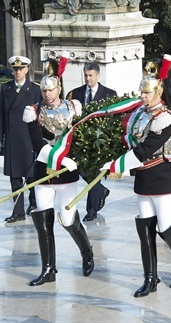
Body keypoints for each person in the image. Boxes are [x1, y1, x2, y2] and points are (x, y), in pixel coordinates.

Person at [101, 55, 171, 297]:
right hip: (143, 178)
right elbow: (130, 142)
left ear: (158, 92)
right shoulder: (139, 115)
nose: (142, 96)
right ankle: (150, 278)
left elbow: (144, 150)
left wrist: (116, 165)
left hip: (163, 176)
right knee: (145, 228)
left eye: (147, 93)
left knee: (165, 227)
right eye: (141, 92)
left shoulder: (166, 118)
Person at [22, 54, 94, 286]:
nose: (47, 95)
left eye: (51, 90)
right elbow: (38, 145)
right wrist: (61, 160)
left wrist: (78, 160)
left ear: (59, 88)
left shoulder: (73, 107)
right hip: (45, 173)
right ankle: (48, 268)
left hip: (67, 176)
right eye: (44, 91)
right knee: (42, 220)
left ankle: (86, 252)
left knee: (68, 218)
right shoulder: (33, 111)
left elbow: (81, 137)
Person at [68, 62, 117, 222]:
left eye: (91, 75)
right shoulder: (76, 93)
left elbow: (113, 119)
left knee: (93, 173)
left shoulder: (109, 94)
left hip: (100, 142)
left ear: (98, 75)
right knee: (82, 170)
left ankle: (91, 210)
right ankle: (101, 190)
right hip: (81, 141)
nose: (88, 79)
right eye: (86, 75)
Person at [1, 55, 41, 223]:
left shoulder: (34, 89)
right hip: (12, 138)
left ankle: (33, 204)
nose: (17, 72)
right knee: (15, 178)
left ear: (26, 70)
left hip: (28, 139)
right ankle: (18, 211)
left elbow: (39, 117)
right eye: (15, 69)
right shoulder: (5, 89)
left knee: (31, 175)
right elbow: (1, 115)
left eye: (20, 69)